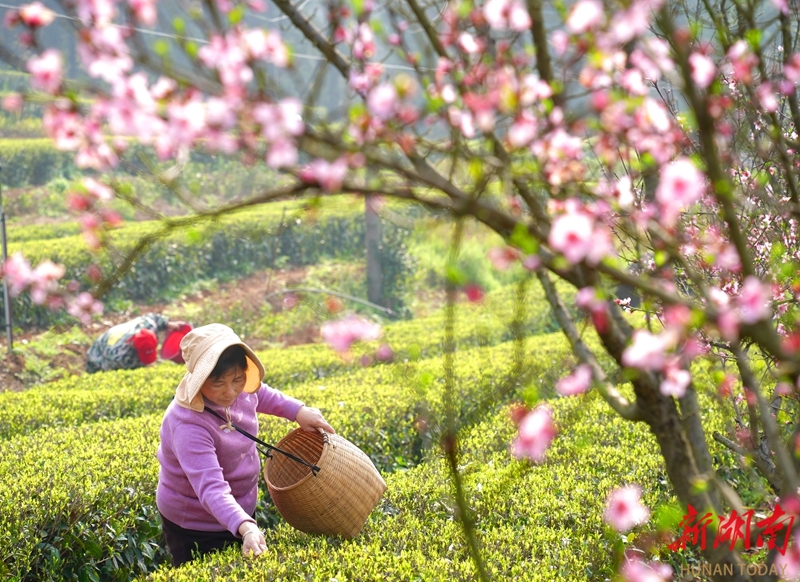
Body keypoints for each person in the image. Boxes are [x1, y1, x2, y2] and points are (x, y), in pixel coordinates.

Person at [156, 323, 335, 567]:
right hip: (196, 524)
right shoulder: (187, 424)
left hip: (239, 509)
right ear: (199, 380)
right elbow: (210, 487)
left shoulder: (241, 390)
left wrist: (298, 411)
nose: (231, 392)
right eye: (218, 383)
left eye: (238, 379)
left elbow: (260, 394)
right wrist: (246, 527)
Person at [86, 313, 190, 373]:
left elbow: (153, 318)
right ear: (133, 347)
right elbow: (122, 374)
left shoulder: (149, 326)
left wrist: (168, 323)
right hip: (97, 356)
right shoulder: (120, 356)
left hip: (121, 335)